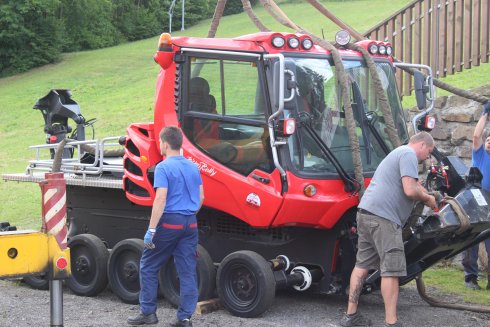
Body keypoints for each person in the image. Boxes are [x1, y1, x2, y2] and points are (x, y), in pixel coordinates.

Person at [340, 132, 437, 327]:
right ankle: (391, 323)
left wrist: (428, 193)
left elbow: (414, 185)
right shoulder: (409, 154)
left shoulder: (398, 153)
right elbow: (410, 190)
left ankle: (350, 315)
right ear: (422, 144)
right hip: (384, 219)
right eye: (429, 151)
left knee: (361, 266)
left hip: (366, 213)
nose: (428, 156)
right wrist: (427, 199)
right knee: (391, 271)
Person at [127, 126, 204, 327]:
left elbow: (160, 198)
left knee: (148, 265)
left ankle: (148, 313)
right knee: (187, 270)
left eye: (160, 142)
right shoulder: (193, 167)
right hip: (190, 223)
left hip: (170, 222)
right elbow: (201, 197)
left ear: (166, 144)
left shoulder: (163, 167)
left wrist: (151, 230)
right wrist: (188, 215)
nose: (159, 145)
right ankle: (185, 318)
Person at [462, 101, 490, 290]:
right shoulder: (480, 154)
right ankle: (471, 277)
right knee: (472, 238)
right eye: (489, 139)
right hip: (477, 197)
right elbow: (476, 135)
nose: (489, 141)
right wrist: (485, 113)